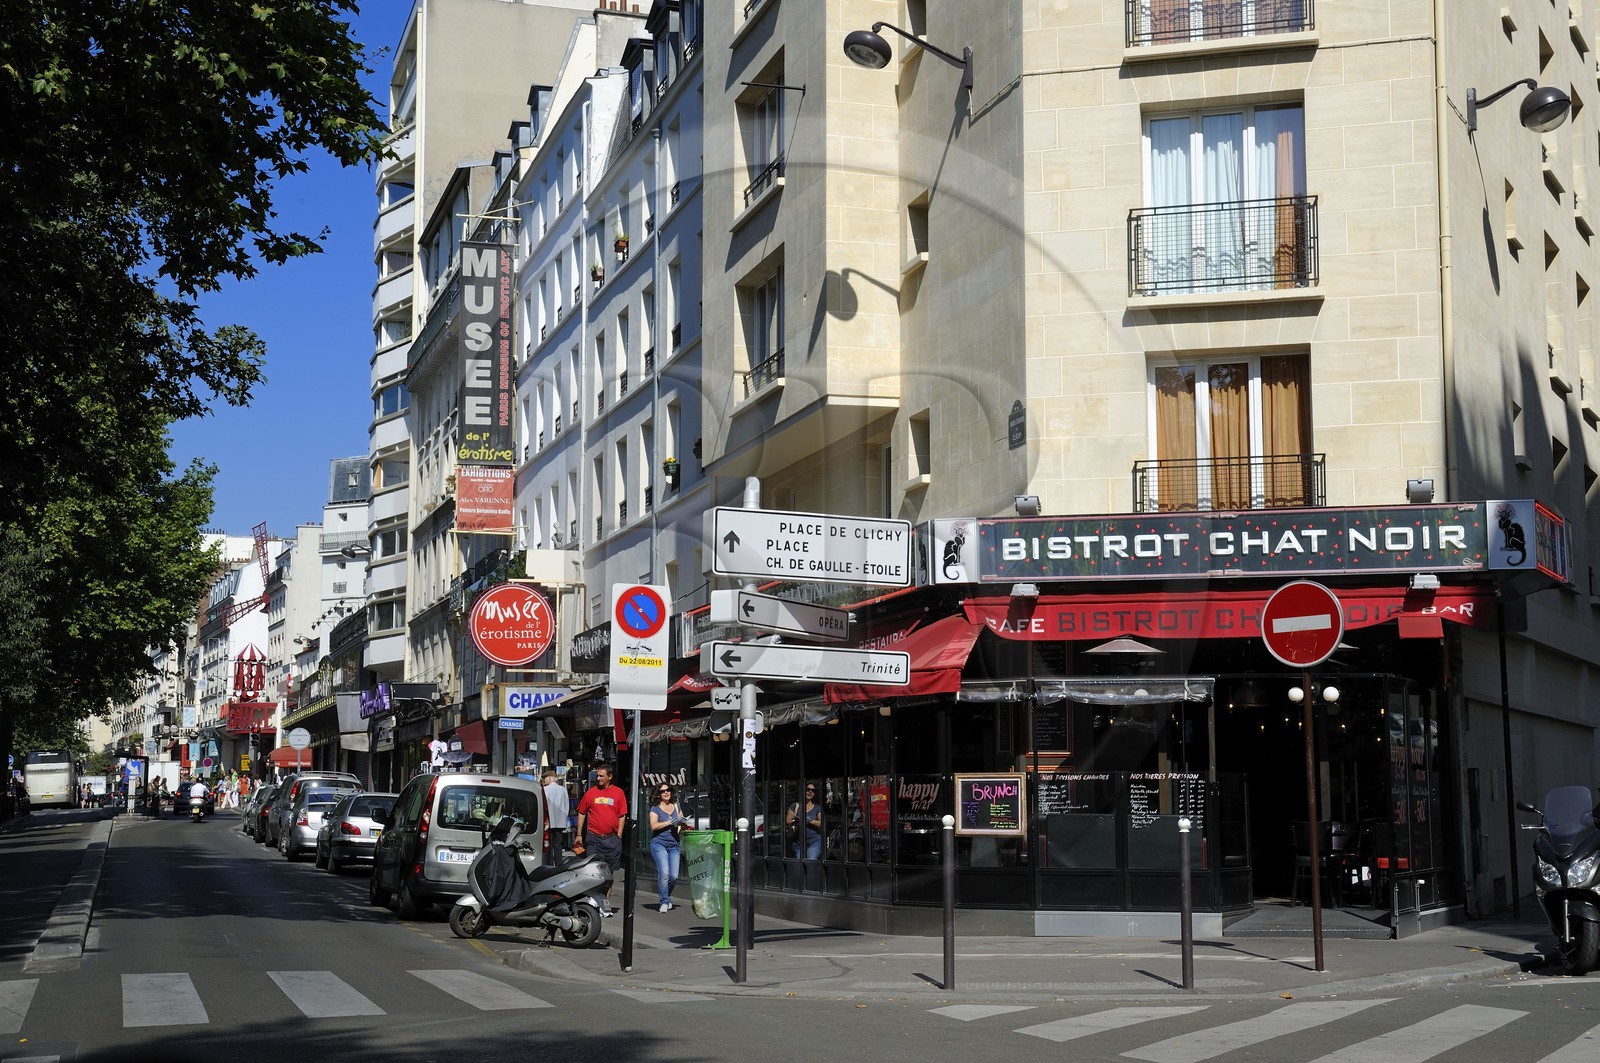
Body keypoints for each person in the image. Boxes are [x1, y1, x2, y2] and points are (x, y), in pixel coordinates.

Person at [574, 763, 628, 915]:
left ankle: (604, 905)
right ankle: (593, 901)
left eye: (601, 776)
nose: (598, 778)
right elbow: (582, 812)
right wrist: (579, 834)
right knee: (594, 872)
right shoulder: (591, 793)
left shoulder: (618, 793)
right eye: (597, 776)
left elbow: (622, 815)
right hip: (594, 839)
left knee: (608, 875)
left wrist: (619, 835)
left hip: (611, 839)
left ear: (610, 777)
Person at [647, 784, 688, 912]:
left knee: (674, 876)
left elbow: (682, 821)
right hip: (659, 844)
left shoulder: (676, 805)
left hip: (674, 845)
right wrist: (670, 822)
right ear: (658, 794)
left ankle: (666, 896)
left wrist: (683, 823)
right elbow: (653, 826)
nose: (666, 793)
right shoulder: (655, 808)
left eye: (668, 790)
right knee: (664, 873)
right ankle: (664, 901)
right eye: (662, 791)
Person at [787, 782, 824, 860]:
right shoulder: (795, 806)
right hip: (798, 842)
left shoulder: (817, 808)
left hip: (814, 841)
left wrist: (808, 821)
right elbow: (788, 821)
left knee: (811, 859)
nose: (810, 792)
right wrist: (795, 820)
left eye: (813, 791)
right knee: (799, 862)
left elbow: (821, 823)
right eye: (808, 790)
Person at [542, 770, 570, 863]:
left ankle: (549, 865)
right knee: (558, 846)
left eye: (545, 779)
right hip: (560, 823)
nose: (544, 781)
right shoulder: (563, 790)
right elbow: (567, 805)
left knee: (547, 845)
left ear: (550, 779)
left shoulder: (545, 790)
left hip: (548, 822)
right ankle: (559, 865)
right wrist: (564, 818)